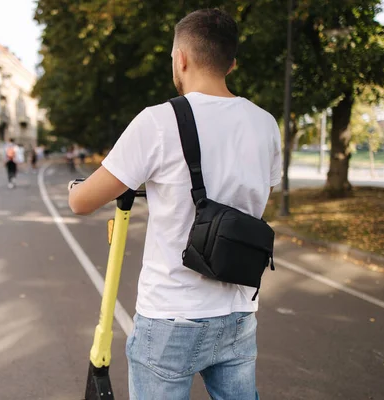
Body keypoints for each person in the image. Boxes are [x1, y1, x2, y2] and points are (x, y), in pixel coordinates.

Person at [68, 9, 281, 400]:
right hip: (237, 313)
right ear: (231, 63)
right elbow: (258, 195)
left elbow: (82, 202)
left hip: (170, 315)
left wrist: (74, 187)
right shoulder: (265, 123)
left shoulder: (158, 122)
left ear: (180, 58)